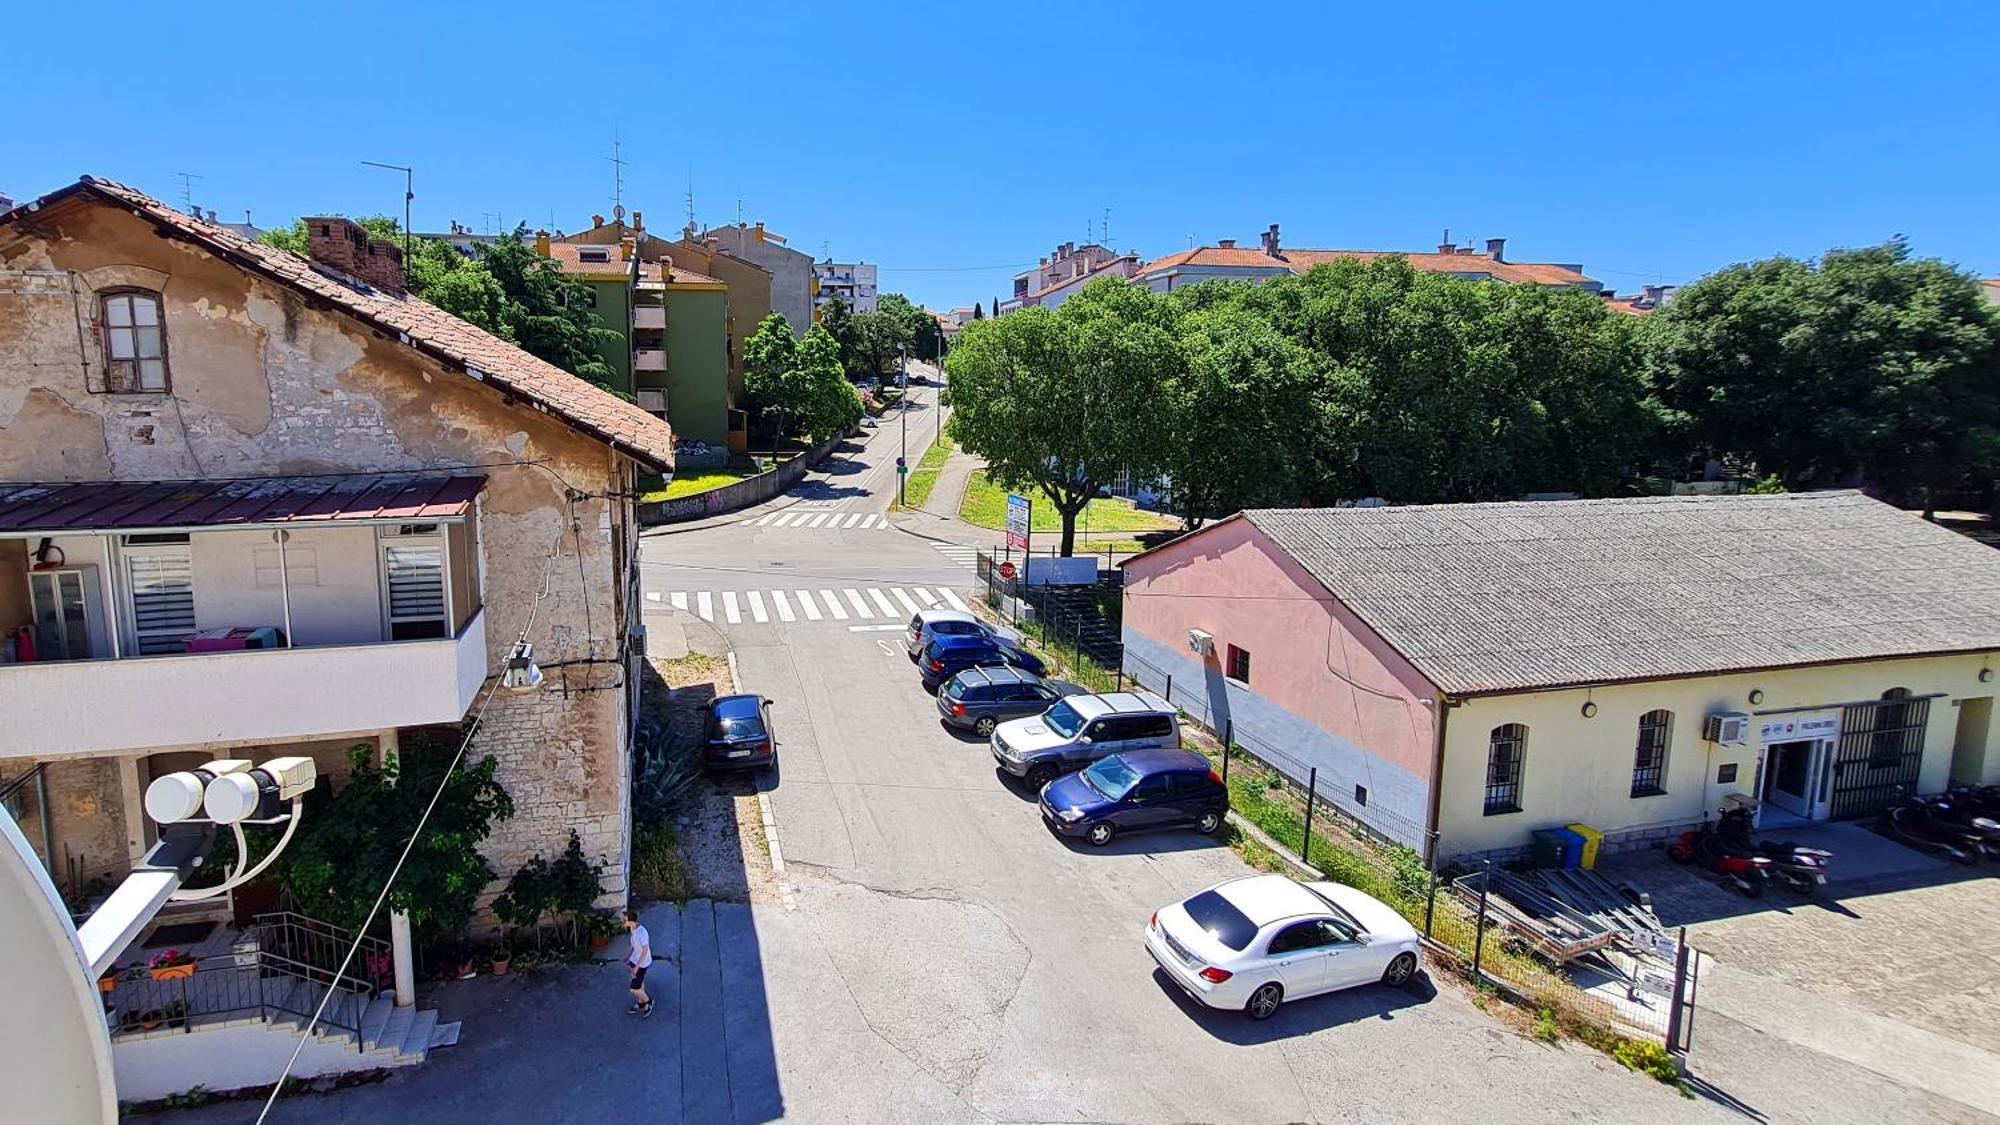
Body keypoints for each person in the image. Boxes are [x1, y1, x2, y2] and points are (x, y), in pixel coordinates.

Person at [624, 908, 653, 1017]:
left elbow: (645, 950)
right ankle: (641, 1003)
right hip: (634, 960)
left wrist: (637, 966)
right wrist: (627, 954)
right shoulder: (632, 930)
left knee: (634, 989)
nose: (624, 922)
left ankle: (648, 1001)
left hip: (642, 963)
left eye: (625, 920)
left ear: (631, 921)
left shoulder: (642, 932)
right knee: (639, 983)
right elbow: (633, 944)